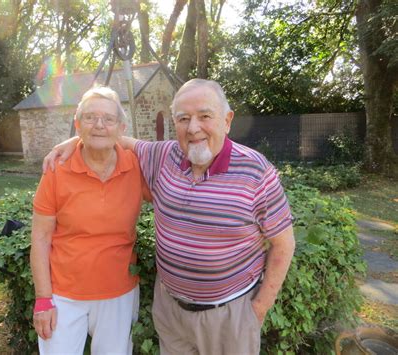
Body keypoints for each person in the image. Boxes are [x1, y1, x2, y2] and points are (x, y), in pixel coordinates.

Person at [44, 79, 295, 355]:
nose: (193, 128)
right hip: (171, 314)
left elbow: (283, 243)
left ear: (227, 120)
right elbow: (115, 137)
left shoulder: (256, 171)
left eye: (205, 116)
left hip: (229, 316)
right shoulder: (164, 156)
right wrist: (74, 140)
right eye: (183, 118)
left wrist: (258, 310)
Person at [31, 86, 150, 354]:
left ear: (121, 128)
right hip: (63, 294)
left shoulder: (136, 166)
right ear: (77, 124)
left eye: (108, 119)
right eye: (90, 117)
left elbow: (174, 174)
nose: (99, 125)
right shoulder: (57, 169)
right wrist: (43, 299)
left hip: (118, 293)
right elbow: (40, 237)